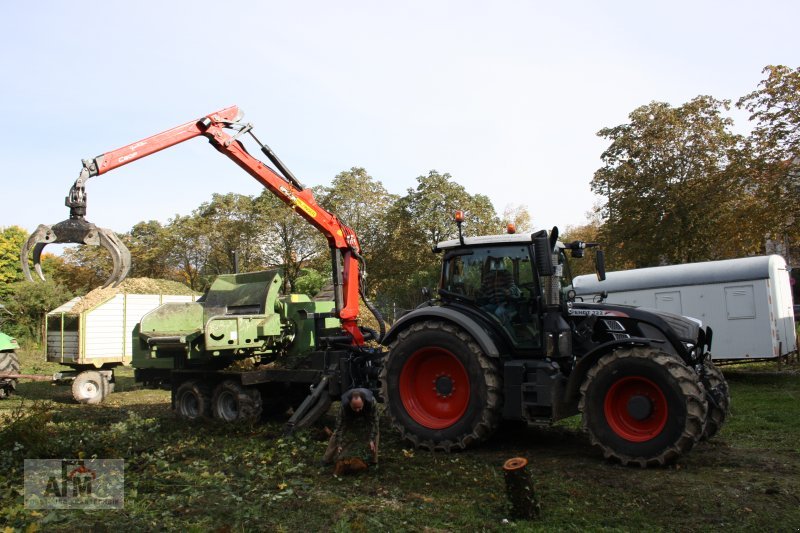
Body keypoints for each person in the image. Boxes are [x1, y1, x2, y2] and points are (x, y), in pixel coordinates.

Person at [322, 388, 380, 474]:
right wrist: (339, 443)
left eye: (359, 407)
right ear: (349, 403)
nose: (357, 410)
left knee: (375, 434)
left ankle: (373, 461)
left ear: (363, 402)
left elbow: (375, 423)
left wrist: (371, 439)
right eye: (355, 407)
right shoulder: (344, 406)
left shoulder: (372, 402)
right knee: (336, 434)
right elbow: (339, 427)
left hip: (367, 416)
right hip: (349, 417)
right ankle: (326, 460)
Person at [479, 257, 519, 323]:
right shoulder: (488, 277)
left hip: (505, 304)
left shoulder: (506, 274)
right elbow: (482, 290)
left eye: (498, 261)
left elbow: (513, 287)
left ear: (501, 262)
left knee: (498, 313)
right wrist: (475, 292)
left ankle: (505, 331)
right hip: (493, 304)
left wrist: (509, 291)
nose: (496, 263)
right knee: (479, 311)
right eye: (495, 261)